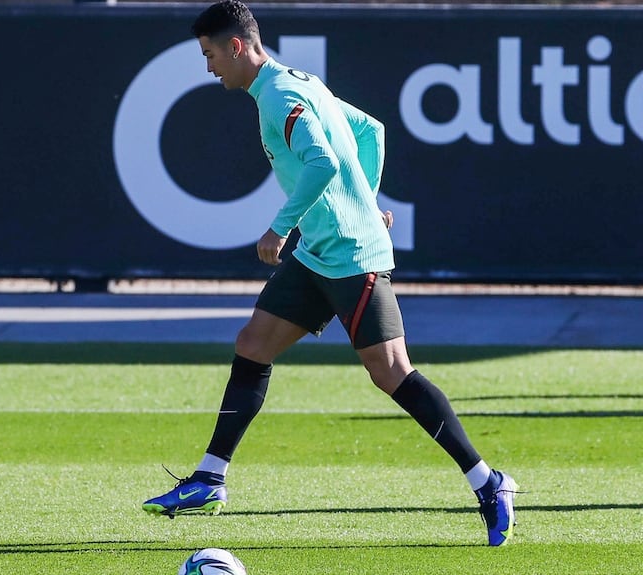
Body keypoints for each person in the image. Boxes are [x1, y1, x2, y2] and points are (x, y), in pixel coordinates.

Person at [141, 0, 519, 547]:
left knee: (391, 371)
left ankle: (489, 483)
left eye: (210, 55)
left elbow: (324, 162)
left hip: (349, 254)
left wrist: (280, 228)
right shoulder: (298, 82)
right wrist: (364, 196)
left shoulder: (280, 96)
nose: (208, 67)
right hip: (320, 251)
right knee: (253, 344)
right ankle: (210, 477)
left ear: (238, 47)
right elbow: (371, 130)